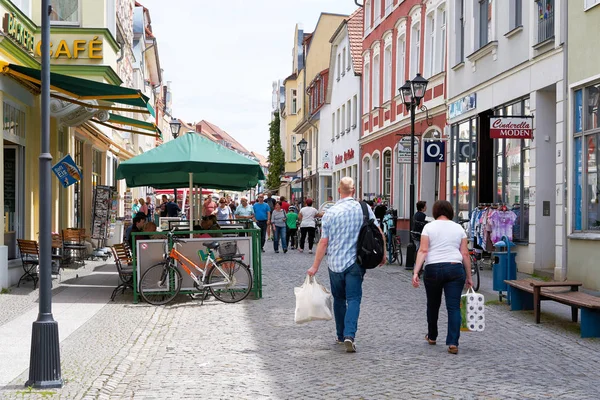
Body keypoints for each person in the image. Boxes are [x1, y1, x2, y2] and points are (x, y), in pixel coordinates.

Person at [307, 177, 385, 353]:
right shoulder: (363, 208)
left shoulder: (330, 213)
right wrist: (383, 254)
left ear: (338, 191)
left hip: (334, 263)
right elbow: (378, 232)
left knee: (339, 299)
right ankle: (350, 335)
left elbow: (323, 242)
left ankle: (341, 335)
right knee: (354, 299)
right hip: (356, 262)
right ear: (354, 190)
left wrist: (315, 266)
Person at [412, 200, 473, 355]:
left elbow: (423, 251)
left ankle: (432, 336)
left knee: (433, 305)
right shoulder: (458, 228)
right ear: (450, 212)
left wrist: (415, 272)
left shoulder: (428, 227)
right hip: (454, 268)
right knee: (453, 307)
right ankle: (453, 342)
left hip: (433, 269)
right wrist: (469, 276)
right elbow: (465, 253)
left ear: (435, 211)